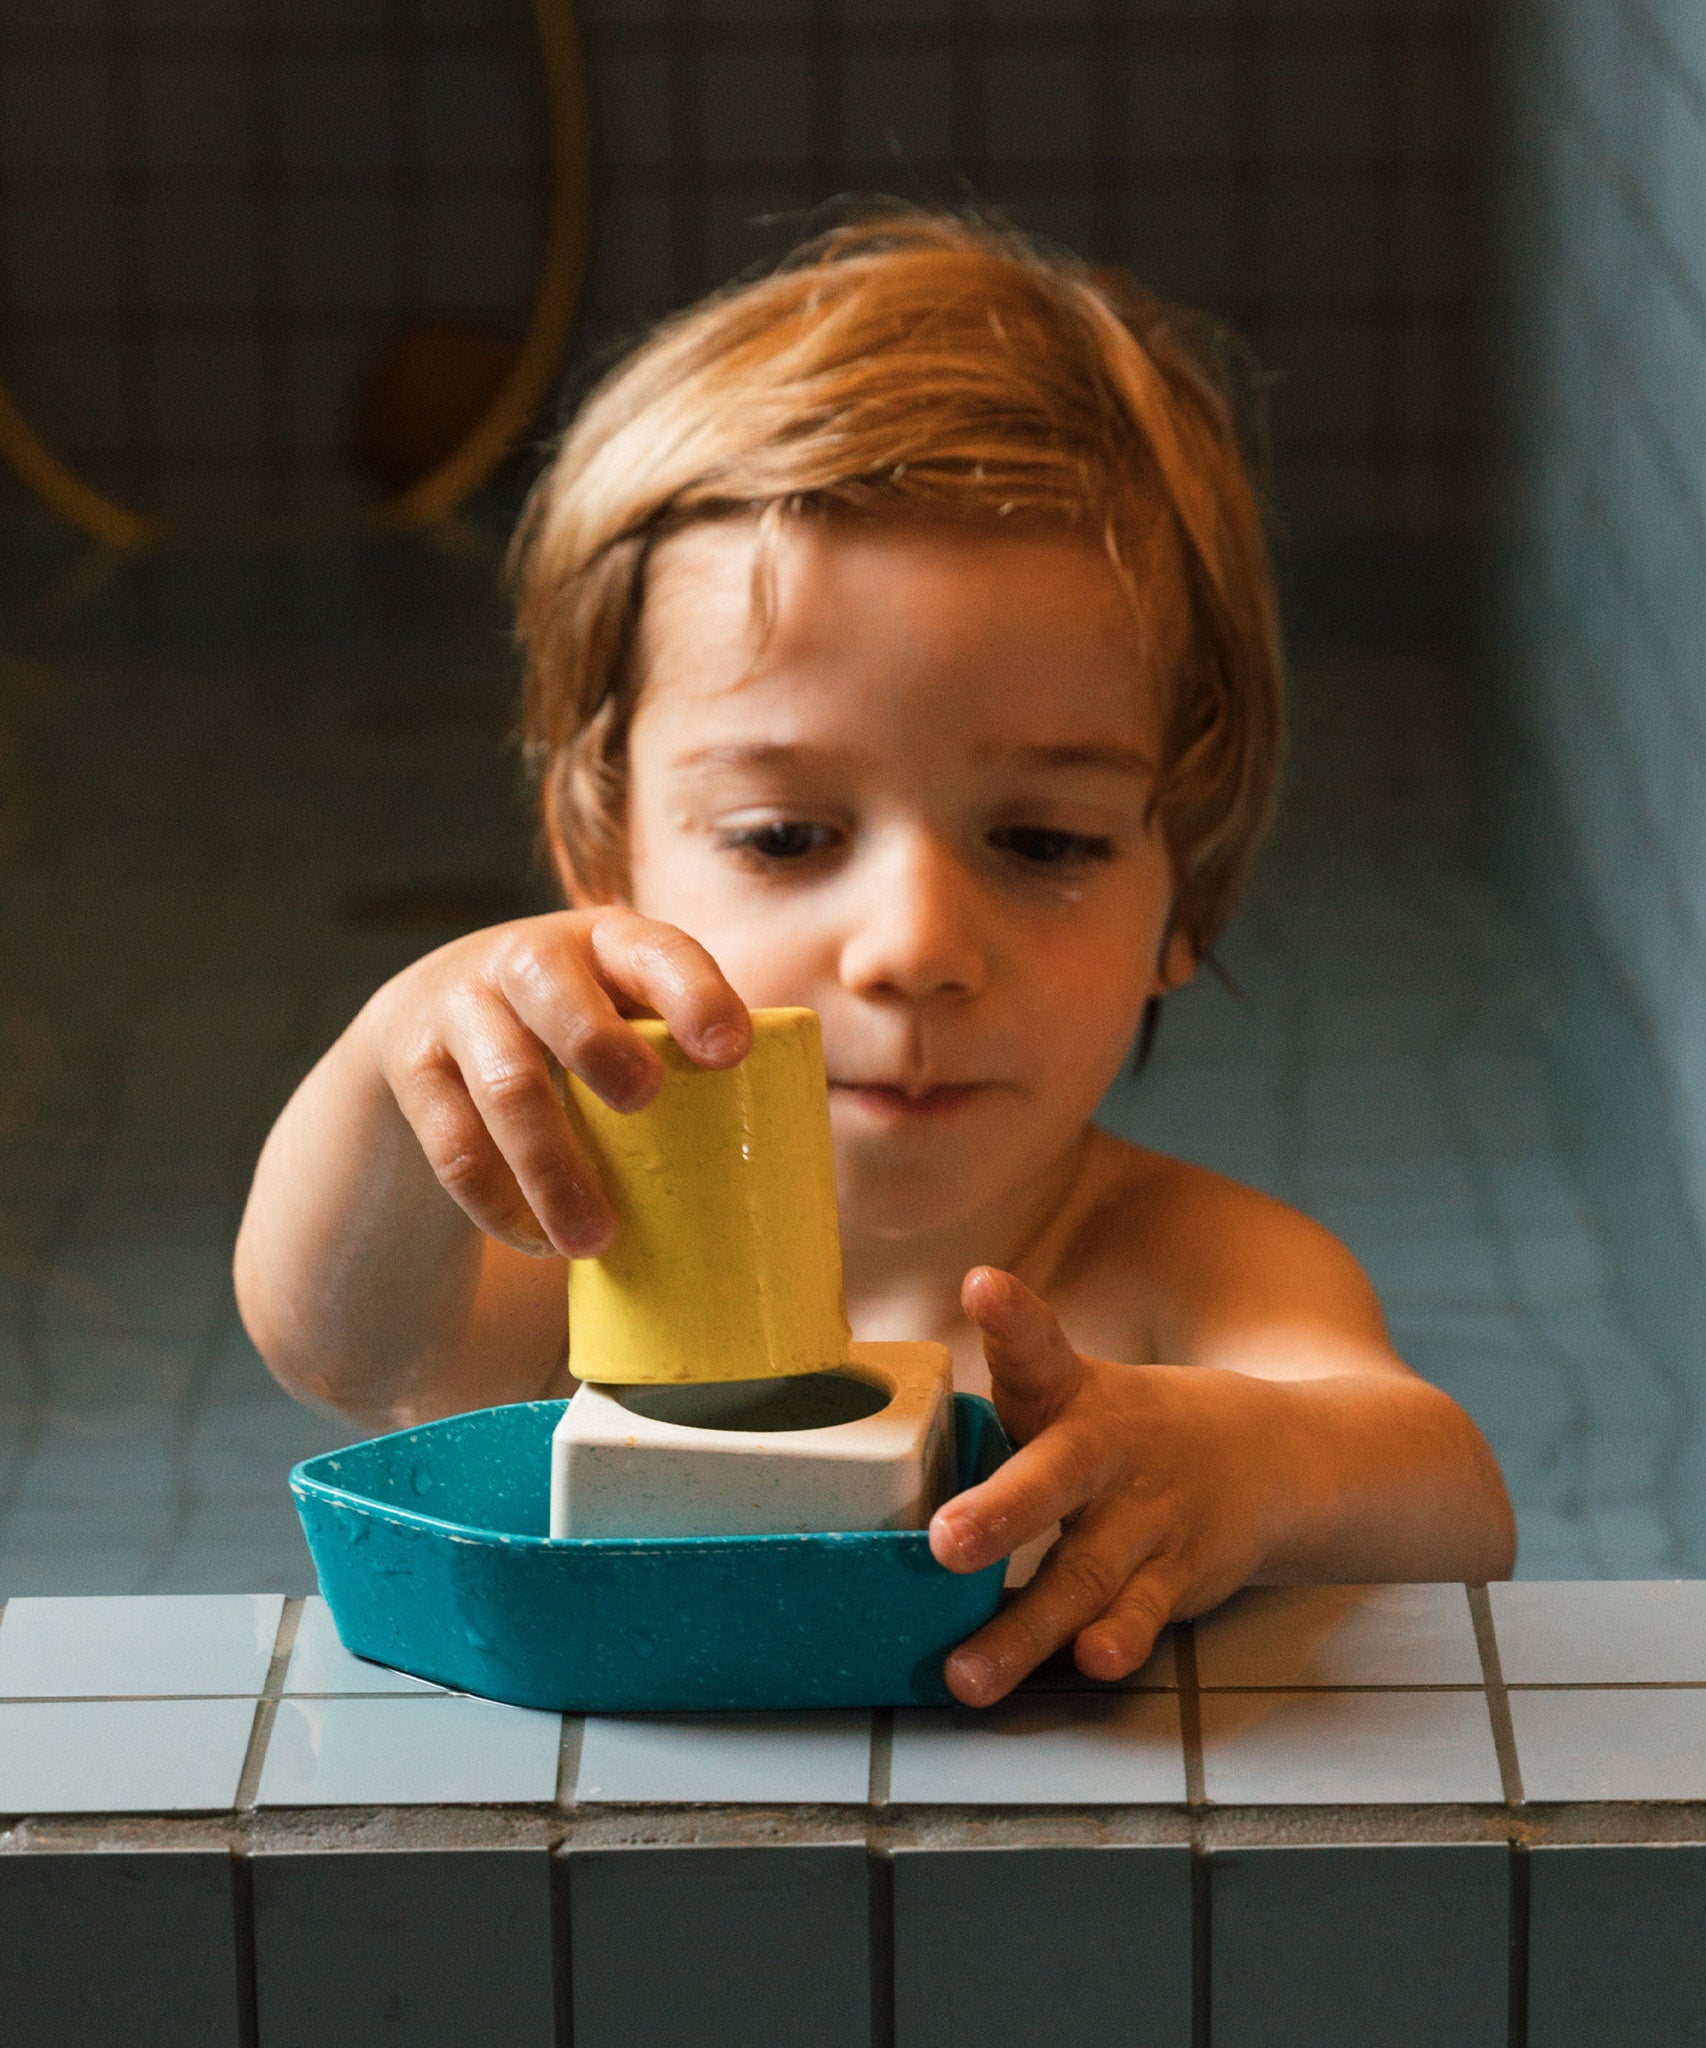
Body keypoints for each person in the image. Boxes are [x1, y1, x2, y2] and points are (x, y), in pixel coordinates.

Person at [235, 212, 1514, 1707]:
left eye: (1044, 842)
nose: (912, 949)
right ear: (604, 861)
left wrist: (1252, 1459)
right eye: (783, 836)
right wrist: (404, 1058)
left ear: (1191, 903)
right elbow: (334, 1342)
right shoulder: (566, 1243)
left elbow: (1451, 1502)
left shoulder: (1185, 1269)